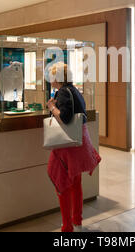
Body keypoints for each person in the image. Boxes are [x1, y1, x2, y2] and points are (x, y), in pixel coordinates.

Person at [46, 62, 101, 233]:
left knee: (61, 182)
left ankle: (67, 227)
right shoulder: (75, 90)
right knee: (76, 182)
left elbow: (65, 118)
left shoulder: (62, 92)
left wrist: (52, 107)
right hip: (79, 142)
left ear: (57, 78)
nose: (50, 80)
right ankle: (77, 220)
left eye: (52, 76)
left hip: (66, 146)